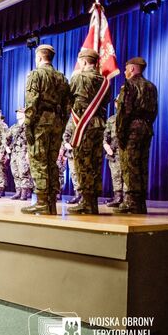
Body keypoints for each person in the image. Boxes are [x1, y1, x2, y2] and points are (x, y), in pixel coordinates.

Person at [21, 44, 71, 215]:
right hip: (56, 122)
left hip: (41, 122)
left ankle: (42, 201)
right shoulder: (62, 78)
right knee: (51, 162)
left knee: (38, 161)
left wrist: (28, 125)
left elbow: (31, 102)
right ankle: (51, 202)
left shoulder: (36, 74)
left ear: (40, 57)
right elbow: (67, 106)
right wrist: (61, 123)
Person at [68, 49, 110, 214]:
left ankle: (86, 202)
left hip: (83, 126)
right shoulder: (105, 81)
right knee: (95, 163)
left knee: (82, 164)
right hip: (98, 125)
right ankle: (92, 202)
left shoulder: (78, 77)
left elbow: (67, 99)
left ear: (84, 62)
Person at [114, 57, 158, 214]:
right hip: (146, 128)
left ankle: (132, 202)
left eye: (126, 69)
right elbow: (154, 111)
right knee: (142, 165)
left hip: (132, 128)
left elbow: (124, 112)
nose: (125, 72)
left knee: (130, 164)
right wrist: (146, 125)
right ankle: (141, 202)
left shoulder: (129, 85)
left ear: (132, 69)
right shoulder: (151, 87)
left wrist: (120, 132)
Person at [6, 108, 34, 200]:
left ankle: (24, 193)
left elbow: (31, 141)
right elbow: (6, 137)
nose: (17, 114)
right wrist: (7, 147)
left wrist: (28, 153)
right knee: (15, 172)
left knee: (24, 172)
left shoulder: (28, 126)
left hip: (23, 151)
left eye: (20, 112)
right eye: (17, 112)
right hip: (14, 152)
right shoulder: (14, 127)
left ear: (24, 114)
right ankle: (18, 192)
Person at [104, 97, 123, 207]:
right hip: (113, 152)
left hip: (125, 152)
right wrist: (106, 145)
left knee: (125, 176)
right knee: (115, 175)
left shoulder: (129, 119)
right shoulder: (111, 119)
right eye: (116, 101)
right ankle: (118, 197)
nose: (117, 103)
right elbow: (106, 134)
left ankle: (125, 197)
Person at [61, 118, 81, 204]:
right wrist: (66, 143)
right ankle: (78, 195)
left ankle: (86, 197)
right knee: (74, 174)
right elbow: (66, 133)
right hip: (72, 152)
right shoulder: (72, 119)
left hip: (85, 151)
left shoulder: (90, 117)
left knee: (85, 175)